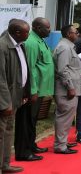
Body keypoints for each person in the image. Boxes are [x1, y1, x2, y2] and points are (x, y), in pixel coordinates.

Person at [17, 17, 54, 159]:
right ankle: (24, 152)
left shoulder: (40, 40)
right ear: (38, 28)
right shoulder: (31, 42)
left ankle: (31, 145)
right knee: (26, 121)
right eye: (48, 27)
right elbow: (30, 69)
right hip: (34, 90)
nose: (50, 30)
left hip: (40, 89)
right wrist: (32, 91)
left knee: (32, 120)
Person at [0, 19, 30, 173]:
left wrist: (25, 92)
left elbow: (22, 71)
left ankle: (5, 165)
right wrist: (5, 103)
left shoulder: (20, 45)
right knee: (1, 133)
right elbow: (1, 79)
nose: (29, 34)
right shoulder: (3, 46)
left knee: (8, 132)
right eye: (27, 31)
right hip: (5, 100)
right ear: (17, 32)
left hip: (16, 97)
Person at [52, 25, 81, 154]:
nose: (77, 34)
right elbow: (62, 70)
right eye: (75, 32)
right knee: (64, 117)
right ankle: (60, 146)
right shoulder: (65, 48)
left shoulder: (68, 46)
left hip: (69, 88)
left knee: (66, 117)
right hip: (66, 90)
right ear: (68, 34)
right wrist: (70, 87)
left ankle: (62, 142)